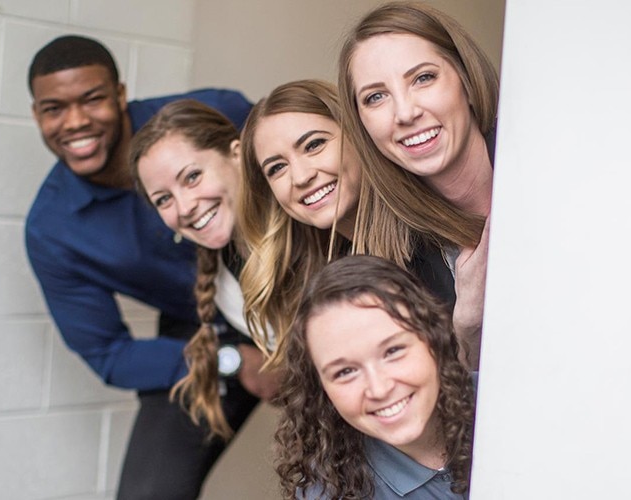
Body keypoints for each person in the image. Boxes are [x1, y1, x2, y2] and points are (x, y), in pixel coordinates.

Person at [24, 35, 256, 499]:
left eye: (92, 99)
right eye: (54, 109)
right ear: (37, 115)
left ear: (120, 95)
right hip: (201, 329)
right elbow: (109, 352)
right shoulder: (52, 230)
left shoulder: (211, 114)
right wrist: (231, 362)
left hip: (303, 284)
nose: (75, 122)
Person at [238, 80, 454, 364]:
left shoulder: (437, 235)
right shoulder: (321, 282)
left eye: (314, 145)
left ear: (358, 133)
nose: (301, 177)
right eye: (277, 168)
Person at [337, 2, 500, 369]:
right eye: (376, 97)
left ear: (468, 83)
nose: (405, 113)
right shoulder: (397, 264)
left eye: (423, 78)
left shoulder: (557, 168)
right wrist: (468, 327)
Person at [130, 99, 280, 439]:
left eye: (193, 177)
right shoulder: (223, 280)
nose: (184, 207)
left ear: (237, 154)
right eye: (163, 200)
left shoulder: (311, 229)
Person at [275, 254, 476, 499]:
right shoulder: (329, 493)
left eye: (392, 351)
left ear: (433, 339)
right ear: (322, 391)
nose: (379, 389)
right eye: (345, 372)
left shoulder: (510, 403)